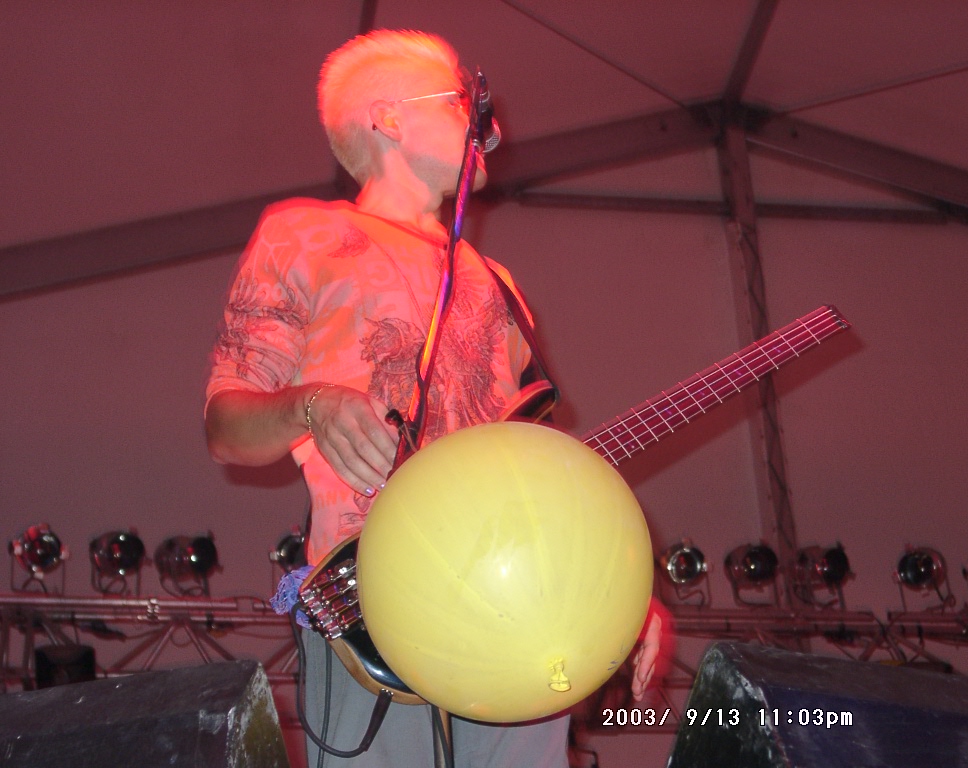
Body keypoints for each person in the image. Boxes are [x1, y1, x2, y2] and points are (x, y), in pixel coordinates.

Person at [205, 29, 660, 768]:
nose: (489, 127)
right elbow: (227, 426)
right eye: (460, 103)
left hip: (520, 603)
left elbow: (536, 472)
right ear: (388, 118)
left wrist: (613, 590)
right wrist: (311, 404)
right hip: (371, 605)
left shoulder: (496, 282)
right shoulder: (303, 234)